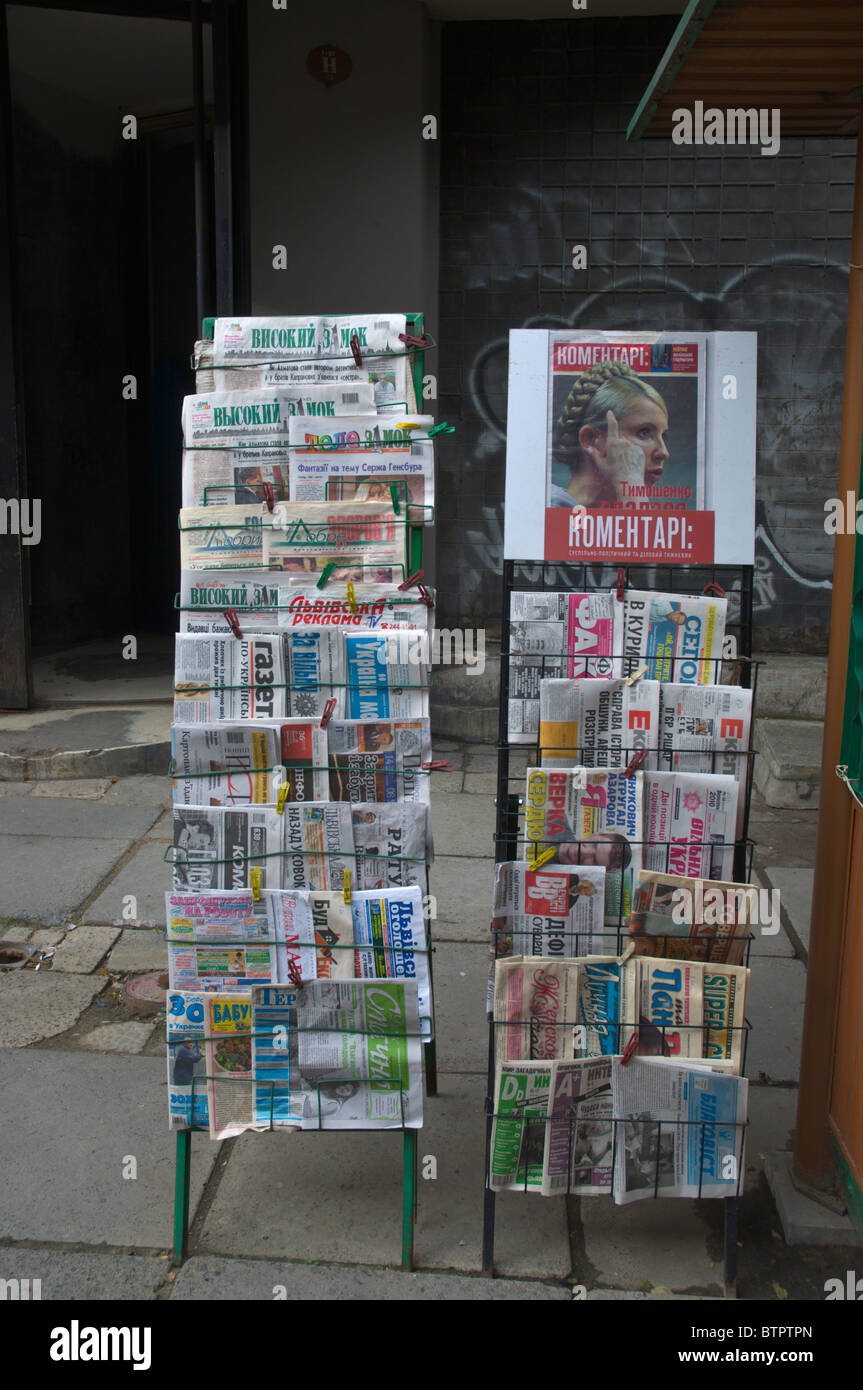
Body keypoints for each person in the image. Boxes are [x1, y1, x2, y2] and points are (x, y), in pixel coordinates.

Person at [549, 359, 670, 508]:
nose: (664, 453)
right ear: (590, 439)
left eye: (663, 436)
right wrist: (631, 487)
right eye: (644, 432)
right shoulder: (548, 510)